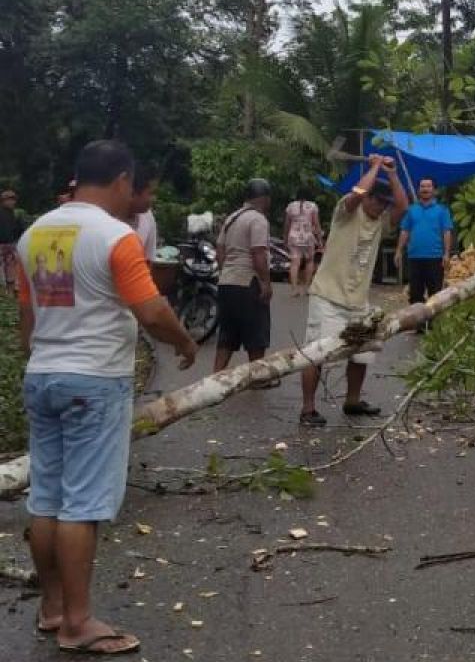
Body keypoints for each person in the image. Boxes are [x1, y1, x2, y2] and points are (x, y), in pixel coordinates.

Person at [15, 140, 197, 655]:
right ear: (121, 179)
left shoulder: (33, 234)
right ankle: (78, 622)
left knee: (46, 497)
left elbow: (26, 327)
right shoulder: (115, 237)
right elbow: (151, 309)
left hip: (43, 374)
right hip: (94, 380)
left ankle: (52, 610)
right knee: (83, 505)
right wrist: (184, 342)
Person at [300, 155, 408, 426]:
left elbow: (403, 207)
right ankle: (308, 408)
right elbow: (357, 193)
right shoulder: (346, 211)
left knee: (363, 351)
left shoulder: (381, 222)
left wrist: (391, 173)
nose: (382, 207)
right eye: (378, 201)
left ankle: (352, 400)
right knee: (316, 352)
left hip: (358, 300)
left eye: (385, 204)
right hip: (328, 295)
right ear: (369, 198)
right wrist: (373, 167)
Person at [212, 178, 274, 377]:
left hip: (227, 282)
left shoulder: (231, 218)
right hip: (248, 282)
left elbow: (220, 250)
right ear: (264, 198)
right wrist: (265, 282)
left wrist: (226, 272)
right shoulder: (258, 219)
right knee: (257, 332)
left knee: (228, 333)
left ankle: (216, 376)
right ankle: (258, 377)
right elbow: (258, 254)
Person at [396, 177, 455, 327]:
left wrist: (446, 253)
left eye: (428, 186)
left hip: (435, 258)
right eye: (422, 186)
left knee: (435, 294)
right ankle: (420, 325)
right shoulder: (411, 210)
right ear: (418, 189)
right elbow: (405, 231)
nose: (425, 189)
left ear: (434, 190)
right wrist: (398, 250)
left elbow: (446, 232)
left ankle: (434, 324)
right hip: (414, 258)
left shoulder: (442, 210)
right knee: (415, 294)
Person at [284, 188, 323, 296]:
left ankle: (294, 290)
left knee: (294, 263)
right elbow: (316, 224)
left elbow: (287, 223)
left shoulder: (291, 206)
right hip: (307, 237)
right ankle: (306, 288)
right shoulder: (313, 206)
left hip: (294, 237)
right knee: (309, 262)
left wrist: (285, 237)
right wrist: (320, 240)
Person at [127, 167, 158, 260]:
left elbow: (148, 260)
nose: (154, 199)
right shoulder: (107, 217)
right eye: (150, 193)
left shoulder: (147, 217)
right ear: (133, 193)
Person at [0, 188, 24, 295]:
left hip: (11, 244)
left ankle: (10, 291)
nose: (11, 202)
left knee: (11, 268)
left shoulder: (15, 214)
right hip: (2, 245)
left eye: (13, 199)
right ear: (3, 201)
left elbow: (19, 230)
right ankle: (5, 291)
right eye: (8, 199)